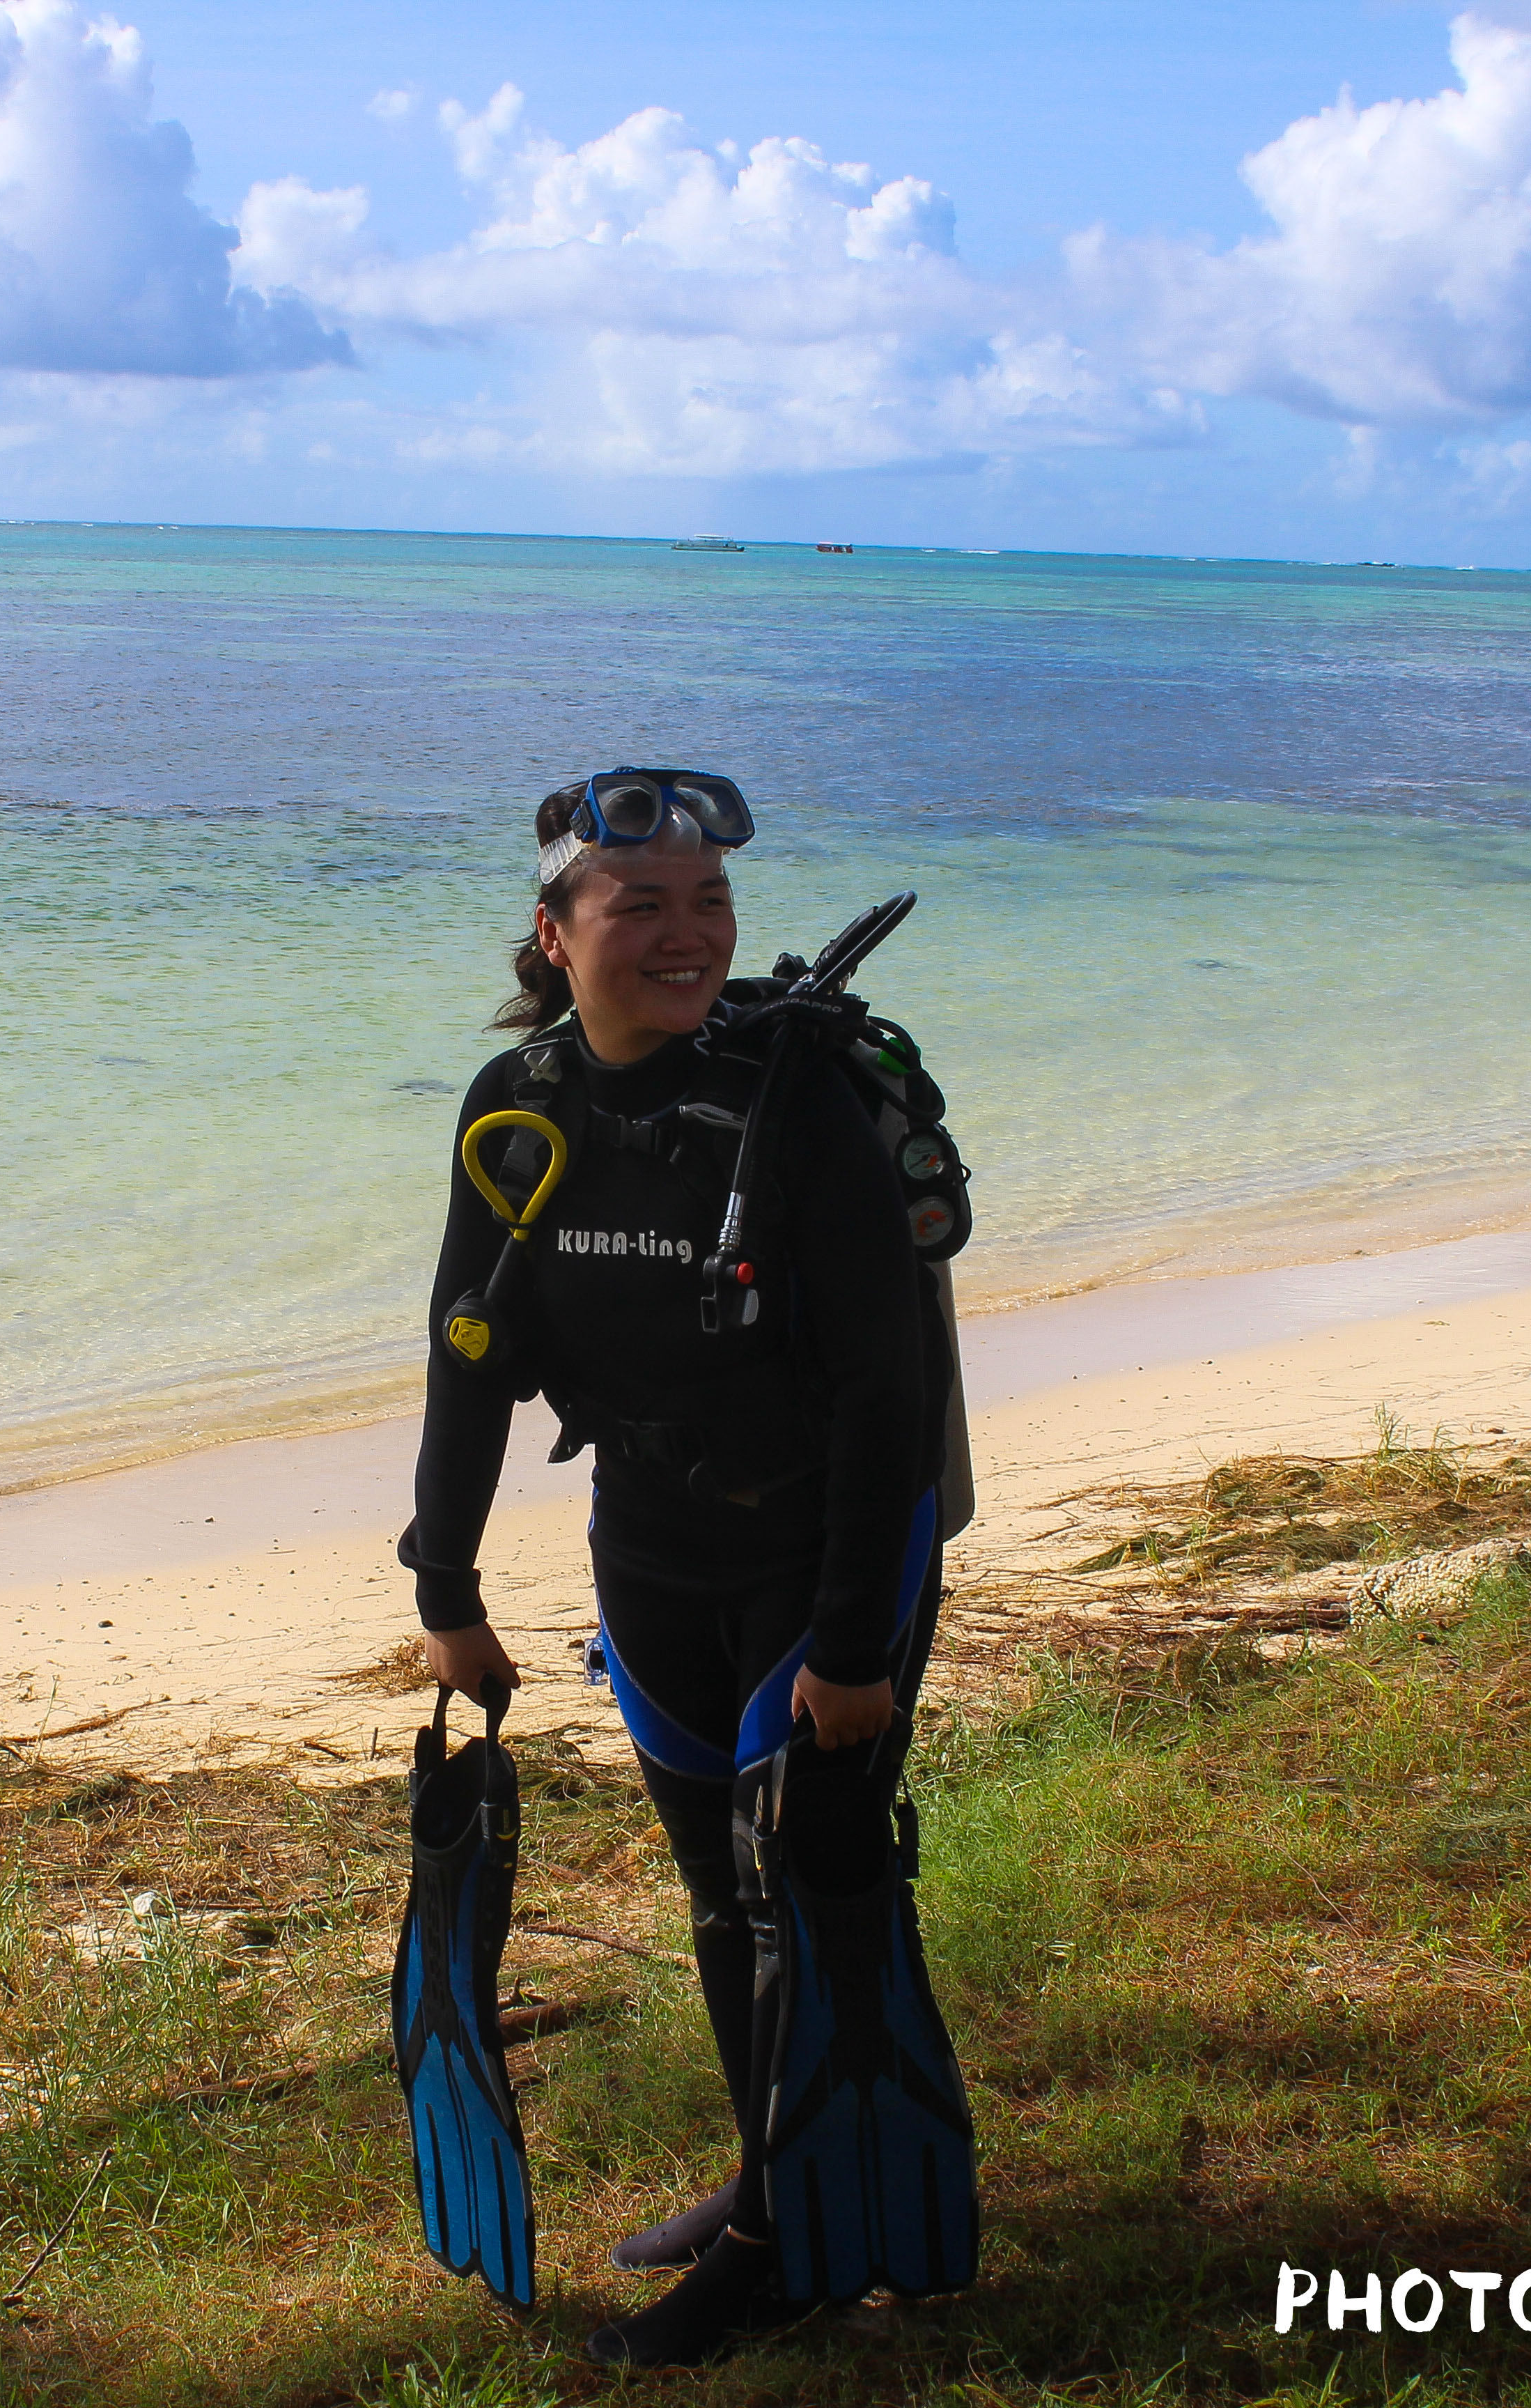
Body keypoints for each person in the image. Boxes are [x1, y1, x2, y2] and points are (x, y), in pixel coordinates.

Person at [398, 769, 972, 2366]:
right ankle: (774, 2185)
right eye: (638, 904)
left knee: (805, 1893)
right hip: (648, 1545)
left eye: (708, 902)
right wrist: (446, 1584)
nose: (685, 933)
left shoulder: (788, 1102)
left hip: (828, 1546)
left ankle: (791, 2248)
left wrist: (857, 1643)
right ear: (555, 931)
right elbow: (470, 1353)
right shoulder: (517, 1107)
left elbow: (887, 1392)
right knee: (723, 1899)